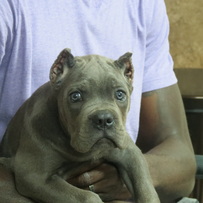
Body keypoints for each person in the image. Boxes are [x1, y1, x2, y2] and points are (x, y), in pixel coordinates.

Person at [0, 0, 196, 202]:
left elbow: (181, 165)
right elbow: (26, 175)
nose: (103, 116)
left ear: (129, 75)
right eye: (76, 97)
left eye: (119, 95)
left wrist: (128, 184)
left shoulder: (143, 4)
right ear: (57, 72)